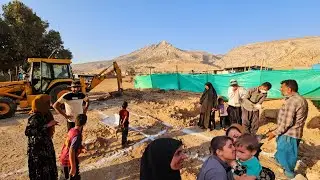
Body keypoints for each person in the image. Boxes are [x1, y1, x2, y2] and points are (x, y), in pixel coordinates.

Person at [267, 79, 308, 179]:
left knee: (287, 155)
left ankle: (289, 174)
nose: (280, 89)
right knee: (283, 151)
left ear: (289, 89)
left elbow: (287, 123)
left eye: (282, 87)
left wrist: (274, 133)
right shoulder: (300, 99)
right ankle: (279, 162)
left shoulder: (292, 101)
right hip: (292, 133)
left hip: (289, 134)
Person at [25, 94, 59, 180]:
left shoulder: (45, 113)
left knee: (49, 169)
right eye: (48, 102)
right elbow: (28, 132)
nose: (50, 104)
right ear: (41, 104)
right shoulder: (34, 117)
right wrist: (47, 125)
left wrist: (51, 124)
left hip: (46, 147)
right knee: (40, 171)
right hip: (38, 150)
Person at [60, 114, 87, 180]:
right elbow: (71, 150)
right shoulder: (77, 135)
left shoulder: (71, 130)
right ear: (84, 124)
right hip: (69, 161)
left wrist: (81, 147)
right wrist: (73, 167)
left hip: (63, 158)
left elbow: (71, 143)